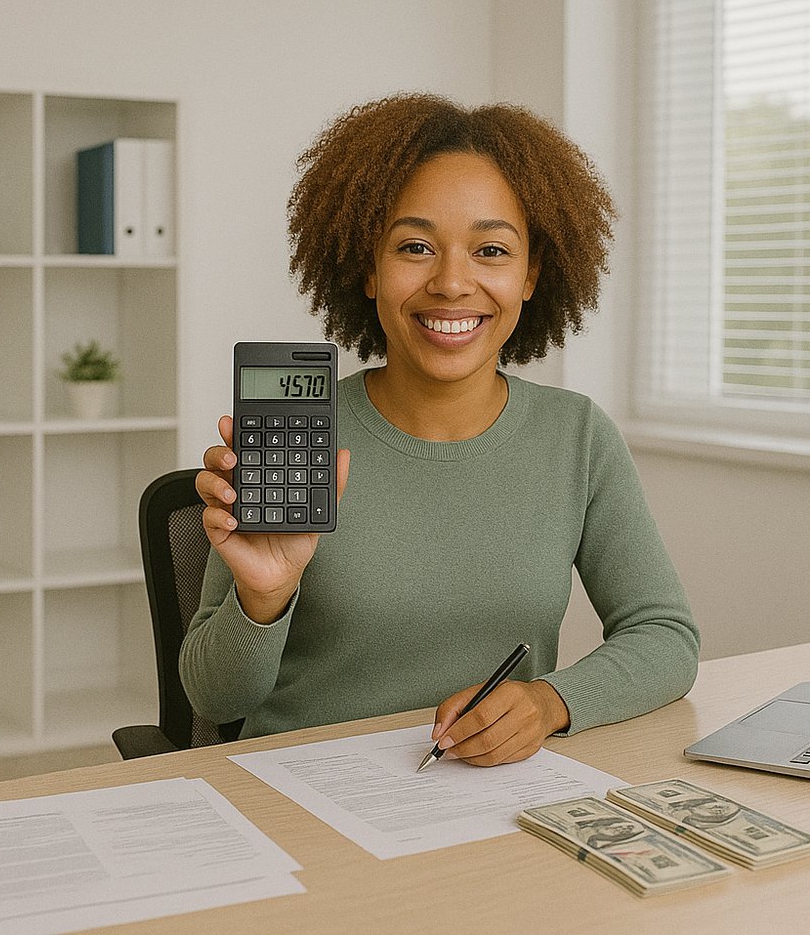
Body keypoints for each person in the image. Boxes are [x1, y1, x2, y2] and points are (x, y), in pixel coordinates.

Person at [182, 93, 699, 767]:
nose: (452, 282)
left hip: (490, 798)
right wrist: (263, 597)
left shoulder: (577, 437)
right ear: (367, 268)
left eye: (490, 249)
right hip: (303, 795)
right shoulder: (294, 431)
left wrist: (550, 702)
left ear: (531, 273)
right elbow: (214, 701)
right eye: (415, 246)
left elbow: (665, 637)